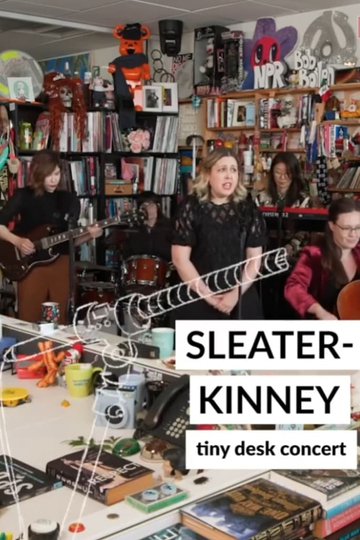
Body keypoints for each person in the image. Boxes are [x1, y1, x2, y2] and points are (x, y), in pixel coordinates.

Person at [0, 149, 102, 324]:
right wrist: (17, 241)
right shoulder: (23, 195)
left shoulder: (68, 200)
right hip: (31, 265)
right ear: (38, 174)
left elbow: (70, 240)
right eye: (49, 175)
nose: (54, 179)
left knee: (61, 320)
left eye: (56, 174)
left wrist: (88, 236)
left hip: (62, 263)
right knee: (28, 319)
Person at [171, 147, 267, 321]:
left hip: (241, 297)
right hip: (197, 296)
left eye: (233, 170)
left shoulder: (248, 209)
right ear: (208, 174)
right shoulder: (190, 207)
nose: (229, 176)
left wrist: (234, 295)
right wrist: (208, 296)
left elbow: (254, 260)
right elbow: (180, 260)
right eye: (222, 170)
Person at [284, 197, 360, 320]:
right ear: (332, 226)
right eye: (346, 228)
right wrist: (320, 312)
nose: (354, 235)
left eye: (358, 228)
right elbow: (293, 287)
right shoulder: (314, 254)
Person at [122, 191, 172, 263]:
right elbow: (128, 256)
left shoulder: (170, 227)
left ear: (158, 206)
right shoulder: (133, 229)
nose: (148, 210)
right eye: (144, 206)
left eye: (151, 206)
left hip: (165, 271)